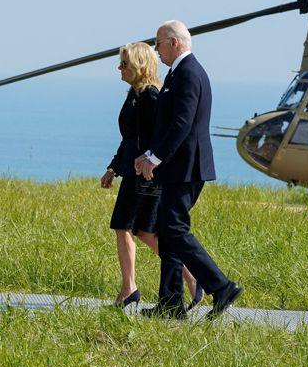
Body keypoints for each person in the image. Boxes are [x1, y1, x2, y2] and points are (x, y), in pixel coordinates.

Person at [135, 20, 242, 319]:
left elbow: (182, 123)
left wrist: (154, 158)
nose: (156, 50)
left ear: (174, 42)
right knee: (167, 233)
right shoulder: (178, 73)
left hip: (187, 167)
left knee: (174, 229)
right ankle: (171, 304)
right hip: (178, 167)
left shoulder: (189, 73)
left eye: (158, 43)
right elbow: (169, 123)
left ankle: (221, 287)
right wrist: (148, 155)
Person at [100, 42, 202, 309]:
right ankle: (191, 276)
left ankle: (129, 289)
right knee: (145, 231)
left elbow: (157, 140)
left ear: (139, 66)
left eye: (125, 64)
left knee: (123, 227)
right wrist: (113, 168)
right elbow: (129, 139)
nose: (119, 68)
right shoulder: (134, 94)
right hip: (134, 171)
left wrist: (148, 165)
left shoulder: (150, 97)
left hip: (143, 174)